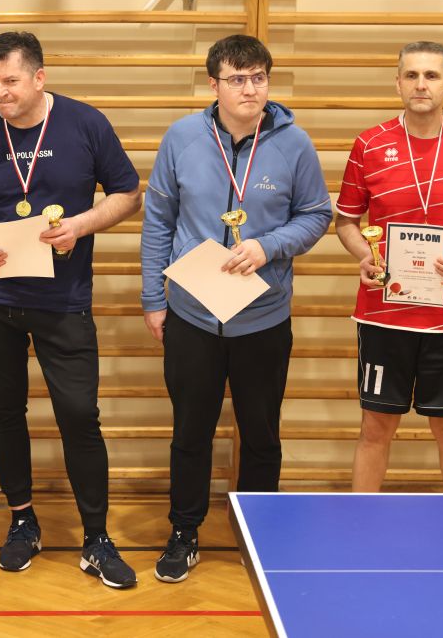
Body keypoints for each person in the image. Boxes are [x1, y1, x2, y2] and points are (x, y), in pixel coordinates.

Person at [0, 31, 142, 588]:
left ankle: (96, 538)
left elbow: (128, 194)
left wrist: (80, 225)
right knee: (5, 412)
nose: (0, 93)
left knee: (79, 415)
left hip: (63, 300)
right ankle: (22, 522)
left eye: (10, 81)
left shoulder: (85, 124)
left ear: (39, 77)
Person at [141, 34, 332, 583]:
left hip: (263, 318)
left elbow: (317, 214)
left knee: (262, 434)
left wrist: (268, 246)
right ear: (214, 85)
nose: (250, 89)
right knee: (190, 432)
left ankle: (259, 533)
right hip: (192, 314)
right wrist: (153, 298)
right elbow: (159, 222)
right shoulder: (181, 138)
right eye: (237, 79)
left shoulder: (294, 143)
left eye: (258, 78)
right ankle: (184, 532)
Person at [335, 41, 443, 493]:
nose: (421, 85)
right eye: (411, 75)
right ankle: (361, 523)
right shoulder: (369, 144)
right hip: (384, 313)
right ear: (397, 83)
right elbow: (347, 222)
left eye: (431, 76)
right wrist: (363, 255)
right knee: (375, 426)